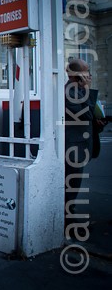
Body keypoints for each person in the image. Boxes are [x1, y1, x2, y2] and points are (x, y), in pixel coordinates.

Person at [64, 58, 106, 232]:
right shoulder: (70, 91)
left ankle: (69, 217)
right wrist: (88, 89)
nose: (89, 75)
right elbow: (85, 114)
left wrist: (97, 122)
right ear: (76, 75)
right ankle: (68, 221)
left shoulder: (79, 90)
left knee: (74, 184)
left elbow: (89, 116)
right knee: (71, 184)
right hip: (73, 147)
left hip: (81, 144)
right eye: (86, 72)